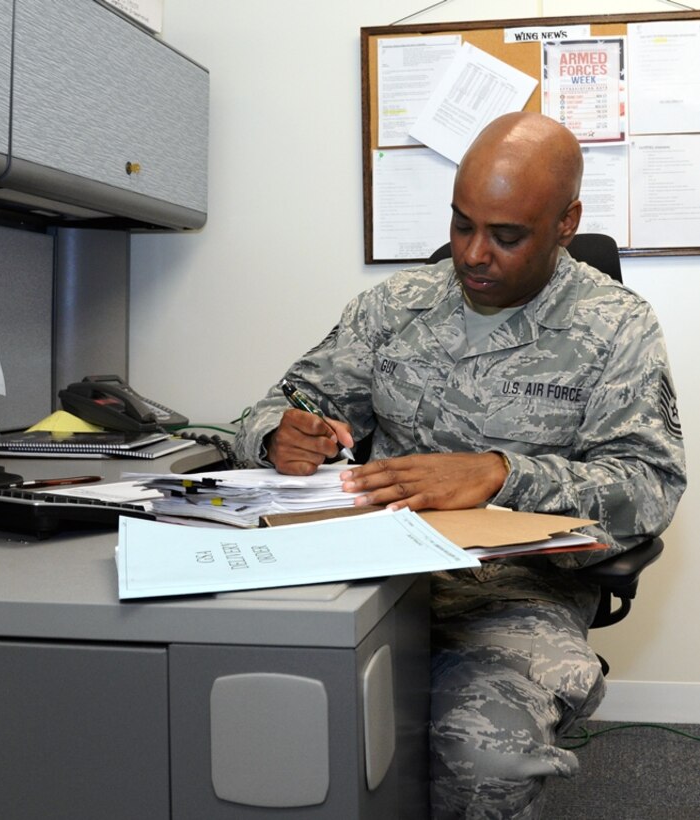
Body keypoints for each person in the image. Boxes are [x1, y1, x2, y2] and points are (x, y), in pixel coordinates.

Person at [233, 112, 686, 818]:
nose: (473, 254)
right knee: (255, 706)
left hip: (510, 593)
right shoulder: (394, 307)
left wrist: (502, 474)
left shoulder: (616, 326)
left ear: (565, 223)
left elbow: (646, 485)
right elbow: (284, 404)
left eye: (506, 236)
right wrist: (276, 437)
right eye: (460, 224)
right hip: (369, 574)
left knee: (482, 756)